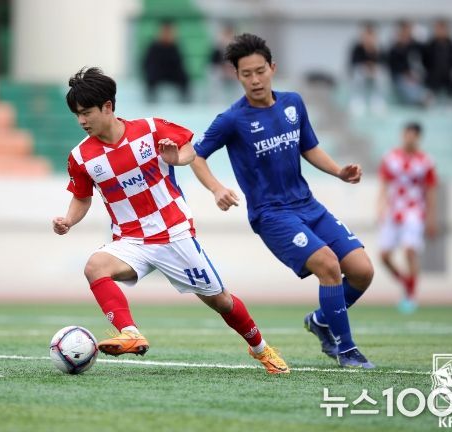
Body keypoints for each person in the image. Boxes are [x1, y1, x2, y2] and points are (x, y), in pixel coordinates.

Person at [52, 67, 289, 374]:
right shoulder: (81, 157)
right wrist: (69, 220)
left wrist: (176, 158)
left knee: (222, 302)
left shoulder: (150, 129)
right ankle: (130, 333)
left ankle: (261, 349)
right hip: (131, 240)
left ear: (107, 106)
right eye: (77, 115)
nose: (82, 121)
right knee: (94, 267)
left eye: (86, 113)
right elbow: (82, 198)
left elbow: (189, 150)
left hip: (174, 233)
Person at [190, 34, 376, 369]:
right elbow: (196, 156)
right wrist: (216, 188)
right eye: (247, 74)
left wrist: (338, 171)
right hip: (271, 214)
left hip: (308, 205)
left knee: (362, 271)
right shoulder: (232, 119)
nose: (255, 79)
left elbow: (309, 147)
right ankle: (346, 350)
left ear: (272, 68)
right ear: (236, 75)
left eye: (260, 71)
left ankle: (321, 321)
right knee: (329, 265)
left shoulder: (293, 103)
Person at [377, 123, 438, 314]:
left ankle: (411, 296)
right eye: (406, 134)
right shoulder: (391, 157)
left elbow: (431, 190)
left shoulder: (426, 161)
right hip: (393, 211)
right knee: (384, 256)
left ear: (418, 137)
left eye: (413, 135)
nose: (409, 138)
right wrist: (380, 207)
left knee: (410, 251)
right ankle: (406, 282)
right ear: (402, 135)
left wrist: (431, 217)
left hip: (414, 212)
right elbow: (384, 184)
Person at [142, 20, 190, 103]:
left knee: (184, 78)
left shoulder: (174, 47)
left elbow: (179, 64)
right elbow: (146, 63)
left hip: (172, 74)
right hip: (158, 74)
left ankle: (185, 101)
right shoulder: (153, 47)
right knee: (150, 77)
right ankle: (151, 101)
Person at [387, 20, 429, 107]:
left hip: (413, 76)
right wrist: (406, 74)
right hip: (400, 77)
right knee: (405, 85)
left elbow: (426, 55)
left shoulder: (414, 46)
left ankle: (422, 98)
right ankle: (417, 101)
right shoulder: (394, 48)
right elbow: (393, 67)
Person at [348, 22, 386, 115]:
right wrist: (366, 66)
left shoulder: (379, 49)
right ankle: (357, 100)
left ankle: (377, 101)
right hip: (361, 72)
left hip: (374, 72)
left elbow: (383, 63)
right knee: (358, 74)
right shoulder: (357, 48)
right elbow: (353, 64)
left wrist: (373, 66)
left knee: (381, 75)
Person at [422, 19, 452, 104]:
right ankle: (429, 100)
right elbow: (425, 60)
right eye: (438, 29)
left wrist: (448, 68)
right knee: (431, 82)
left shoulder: (450, 44)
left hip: (447, 74)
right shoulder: (430, 44)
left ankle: (451, 102)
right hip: (433, 75)